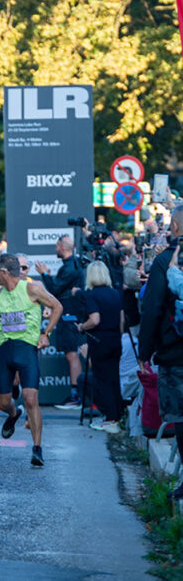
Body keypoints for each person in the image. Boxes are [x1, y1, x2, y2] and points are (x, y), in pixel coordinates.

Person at [0, 254, 62, 466]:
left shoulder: (31, 288)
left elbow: (57, 307)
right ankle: (14, 414)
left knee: (30, 398)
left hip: (26, 348)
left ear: (3, 272)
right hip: (4, 350)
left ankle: (37, 448)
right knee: (4, 401)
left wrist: (47, 333)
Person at [141, 206, 183, 498]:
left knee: (180, 418)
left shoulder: (165, 261)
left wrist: (146, 351)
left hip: (175, 354)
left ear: (177, 226)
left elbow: (153, 309)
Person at [35, 235, 86, 409]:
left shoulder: (70, 267)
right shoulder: (74, 264)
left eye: (56, 246)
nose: (55, 250)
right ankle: (77, 394)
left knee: (71, 354)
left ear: (62, 248)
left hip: (69, 315)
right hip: (70, 314)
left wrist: (43, 274)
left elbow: (55, 289)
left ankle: (76, 396)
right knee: (71, 353)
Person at [77, 261, 124, 433]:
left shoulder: (92, 295)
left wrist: (82, 326)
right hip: (115, 339)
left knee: (103, 380)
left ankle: (111, 418)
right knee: (113, 379)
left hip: (100, 340)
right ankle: (117, 416)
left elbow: (95, 319)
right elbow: (121, 320)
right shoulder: (115, 294)